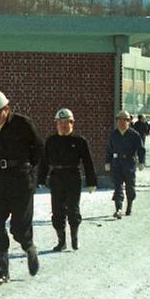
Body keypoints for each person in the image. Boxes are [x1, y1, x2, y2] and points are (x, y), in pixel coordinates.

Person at [0, 89, 45, 285]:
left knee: (19, 227)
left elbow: (39, 147)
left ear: (6, 109)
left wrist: (29, 170)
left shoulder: (22, 124)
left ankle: (29, 247)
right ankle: (3, 270)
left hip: (21, 180)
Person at [37, 108, 97, 251]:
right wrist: (41, 178)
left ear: (72, 123)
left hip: (73, 177)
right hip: (56, 177)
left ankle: (74, 238)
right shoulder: (51, 141)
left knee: (73, 210)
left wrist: (91, 182)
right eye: (60, 122)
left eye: (67, 123)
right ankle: (61, 241)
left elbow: (88, 162)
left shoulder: (79, 141)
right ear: (56, 124)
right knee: (57, 211)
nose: (63, 125)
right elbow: (44, 161)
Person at [104, 110, 146, 219]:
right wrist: (108, 161)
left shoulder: (134, 135)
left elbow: (141, 149)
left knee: (130, 187)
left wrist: (141, 161)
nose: (122, 122)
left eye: (126, 120)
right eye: (120, 120)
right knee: (117, 186)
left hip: (129, 163)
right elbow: (109, 149)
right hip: (117, 163)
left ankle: (129, 207)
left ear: (129, 121)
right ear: (117, 121)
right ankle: (118, 209)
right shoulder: (114, 135)